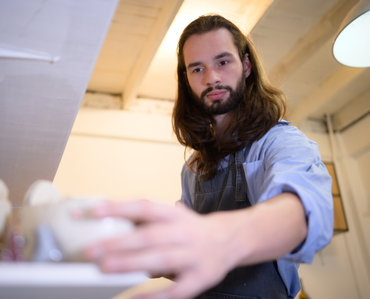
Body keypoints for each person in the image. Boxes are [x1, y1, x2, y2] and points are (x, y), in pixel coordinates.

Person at [85, 14, 333, 299]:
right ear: (186, 79)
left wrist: (226, 238)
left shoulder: (280, 142)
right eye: (197, 69)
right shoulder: (194, 167)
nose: (211, 78)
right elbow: (194, 260)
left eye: (223, 62)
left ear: (247, 65)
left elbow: (301, 211)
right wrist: (150, 253)